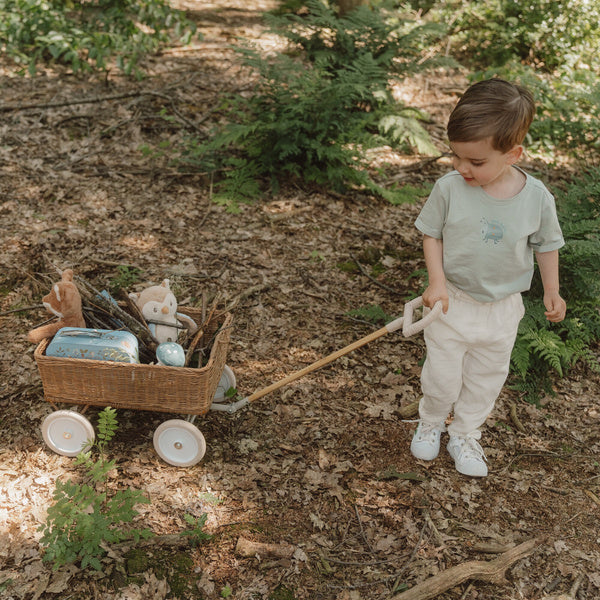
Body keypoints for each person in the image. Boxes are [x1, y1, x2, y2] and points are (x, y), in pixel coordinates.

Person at [410, 78, 566, 477]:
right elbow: (432, 234)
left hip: (502, 310)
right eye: (456, 157)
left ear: (513, 154)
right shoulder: (449, 188)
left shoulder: (536, 197)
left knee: (485, 381)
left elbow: (547, 244)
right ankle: (430, 421)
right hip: (453, 302)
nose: (463, 168)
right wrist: (437, 282)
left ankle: (465, 433)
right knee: (442, 377)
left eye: (476, 162)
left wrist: (552, 290)